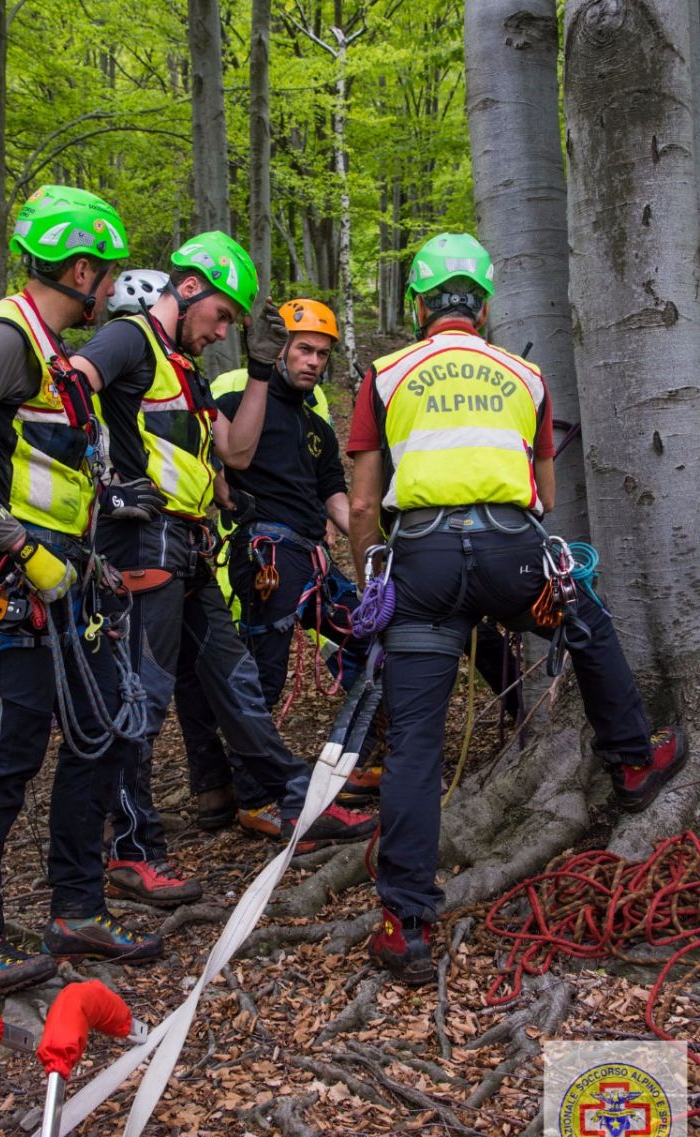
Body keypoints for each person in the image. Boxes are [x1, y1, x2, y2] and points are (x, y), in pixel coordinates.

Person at [347, 231, 688, 986]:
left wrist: (373, 579)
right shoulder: (523, 374)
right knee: (585, 622)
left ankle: (405, 924)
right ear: (485, 301)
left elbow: (366, 501)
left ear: (418, 304)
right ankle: (632, 762)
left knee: (412, 745)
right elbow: (545, 496)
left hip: (423, 563)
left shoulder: (384, 374)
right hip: (512, 550)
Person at [0, 185, 163, 994]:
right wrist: (21, 545)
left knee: (100, 731)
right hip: (13, 574)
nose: (110, 286)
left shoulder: (50, 353)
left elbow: (39, 463)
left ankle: (75, 909)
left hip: (67, 570)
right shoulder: (4, 336)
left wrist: (97, 525)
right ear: (80, 267)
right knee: (7, 750)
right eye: (107, 271)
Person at [70, 237, 376, 889]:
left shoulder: (183, 368)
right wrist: (100, 476)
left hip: (189, 548)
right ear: (187, 290)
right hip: (140, 541)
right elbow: (70, 384)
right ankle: (132, 851)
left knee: (236, 684)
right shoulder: (130, 339)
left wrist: (261, 370)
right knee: (144, 696)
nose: (224, 329)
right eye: (222, 314)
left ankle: (295, 801)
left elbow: (236, 452)